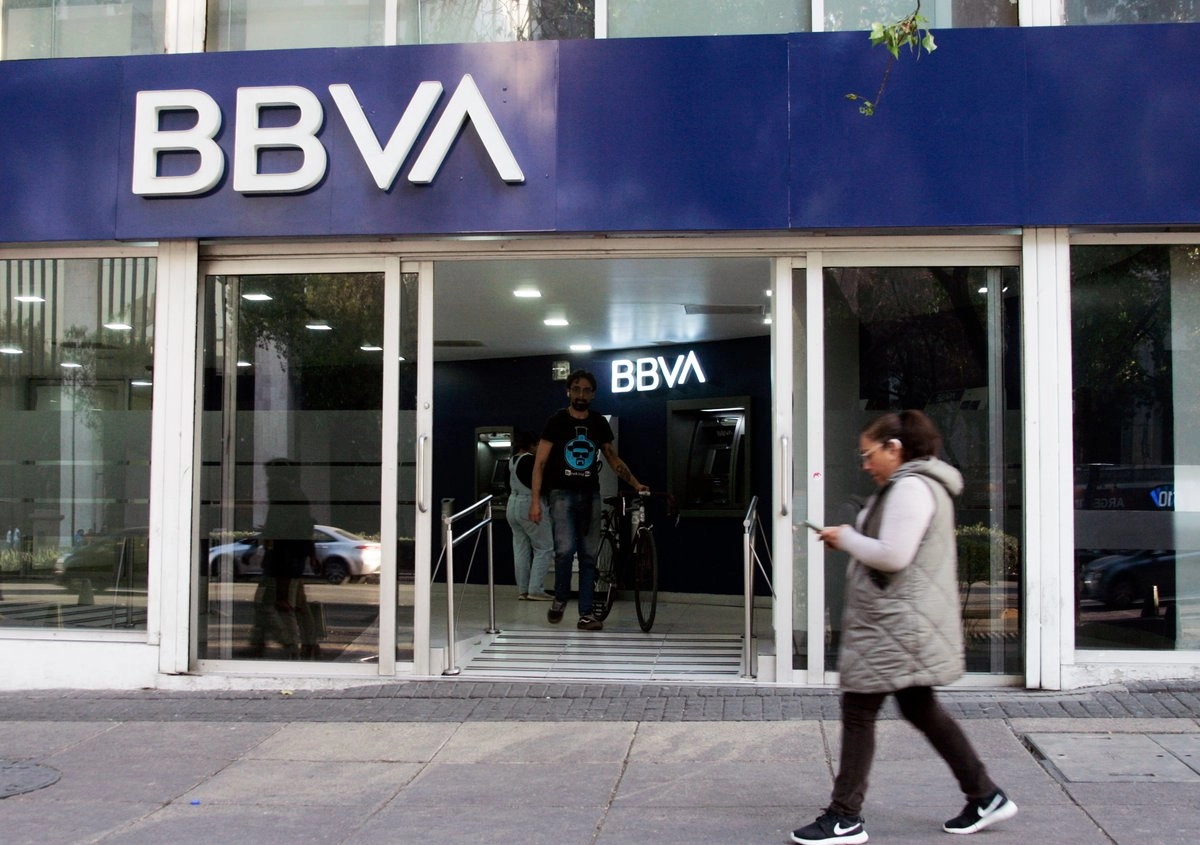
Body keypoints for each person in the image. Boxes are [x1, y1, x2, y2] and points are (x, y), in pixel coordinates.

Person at [791, 410, 1017, 845]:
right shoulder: (912, 485)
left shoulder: (911, 487)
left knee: (860, 711)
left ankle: (844, 817)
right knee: (919, 707)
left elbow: (894, 555)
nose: (865, 464)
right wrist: (850, 534)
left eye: (868, 454)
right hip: (899, 622)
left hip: (895, 624)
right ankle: (984, 794)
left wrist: (847, 539)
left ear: (894, 448)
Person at [530, 369, 647, 631]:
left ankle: (586, 613)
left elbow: (612, 457)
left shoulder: (598, 423)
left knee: (589, 556)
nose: (580, 395)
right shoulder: (557, 421)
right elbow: (540, 463)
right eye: (576, 389)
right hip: (561, 493)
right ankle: (561, 597)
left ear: (593, 394)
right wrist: (535, 501)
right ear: (568, 392)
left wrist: (635, 483)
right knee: (564, 551)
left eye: (586, 390)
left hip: (590, 495)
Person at [246, 459, 322, 660]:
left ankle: (291, 647)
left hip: (283, 561)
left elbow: (281, 532)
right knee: (298, 605)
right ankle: (308, 644)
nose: (267, 482)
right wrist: (311, 555)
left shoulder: (284, 497)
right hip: (291, 559)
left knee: (276, 604)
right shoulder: (296, 497)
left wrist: (264, 546)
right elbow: (305, 530)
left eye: (270, 475)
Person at [507, 429, 554, 601]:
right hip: (529, 504)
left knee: (521, 549)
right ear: (532, 445)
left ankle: (523, 590)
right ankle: (535, 589)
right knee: (544, 547)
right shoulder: (531, 461)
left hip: (512, 505)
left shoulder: (511, 461)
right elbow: (543, 484)